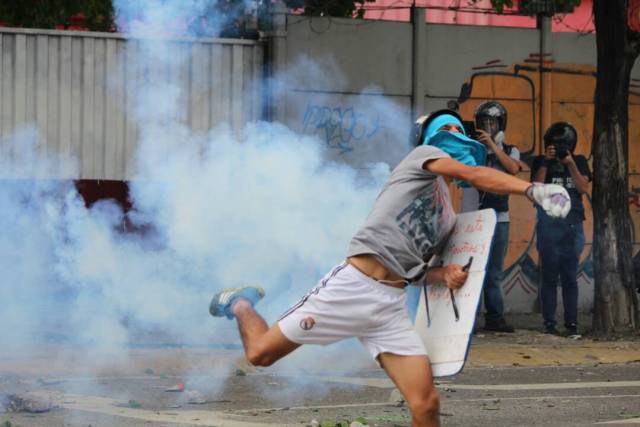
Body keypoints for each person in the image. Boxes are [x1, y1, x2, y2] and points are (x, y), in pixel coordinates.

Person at [209, 109, 570, 427]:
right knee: (260, 354)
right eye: (449, 130)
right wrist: (533, 190)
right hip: (352, 287)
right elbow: (473, 174)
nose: (456, 136)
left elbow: (414, 271)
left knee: (426, 404)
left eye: (460, 132)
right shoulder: (423, 157)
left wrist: (442, 275)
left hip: (389, 307)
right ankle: (240, 301)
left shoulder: (447, 218)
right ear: (432, 137)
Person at [461, 101, 521, 333]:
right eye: (484, 122)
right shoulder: (469, 148)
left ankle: (495, 318)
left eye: (493, 123)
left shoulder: (510, 149)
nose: (488, 126)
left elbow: (514, 169)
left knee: (493, 273)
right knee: (470, 270)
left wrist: (494, 146)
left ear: (500, 125)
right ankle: (468, 319)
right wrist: (478, 146)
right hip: (472, 217)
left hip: (499, 218)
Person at [531, 122, 591, 337]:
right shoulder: (540, 161)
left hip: (573, 224)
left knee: (569, 277)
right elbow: (535, 190)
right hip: (548, 225)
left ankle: (572, 324)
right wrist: (546, 162)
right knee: (548, 276)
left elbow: (583, 188)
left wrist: (570, 164)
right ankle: (549, 323)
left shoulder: (580, 161)